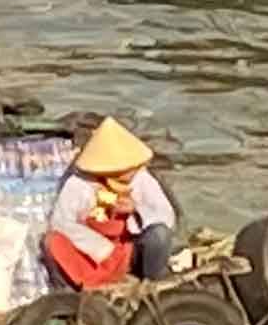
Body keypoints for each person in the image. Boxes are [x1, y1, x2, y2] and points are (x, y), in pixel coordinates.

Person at [46, 118, 176, 287]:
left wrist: (136, 209)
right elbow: (60, 222)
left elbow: (165, 215)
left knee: (159, 234)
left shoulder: (142, 179)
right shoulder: (79, 184)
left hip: (131, 251)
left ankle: (151, 282)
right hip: (95, 253)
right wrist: (101, 248)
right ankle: (76, 289)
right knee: (52, 242)